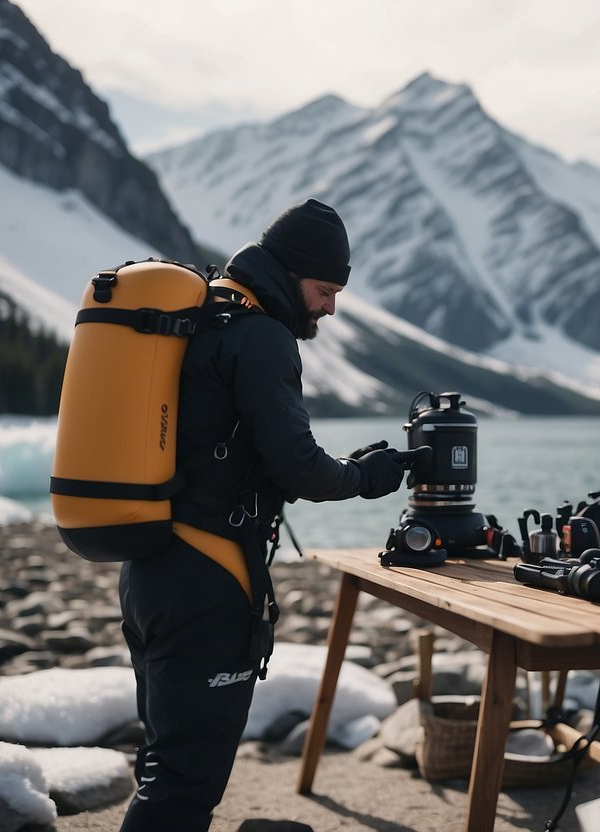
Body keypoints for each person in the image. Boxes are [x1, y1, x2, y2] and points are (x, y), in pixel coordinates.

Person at [117, 199, 405, 832]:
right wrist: (368, 476)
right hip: (207, 579)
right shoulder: (262, 336)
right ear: (294, 272)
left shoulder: (205, 317)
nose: (331, 306)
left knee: (166, 760)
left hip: (149, 569)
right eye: (326, 290)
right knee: (187, 781)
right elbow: (297, 467)